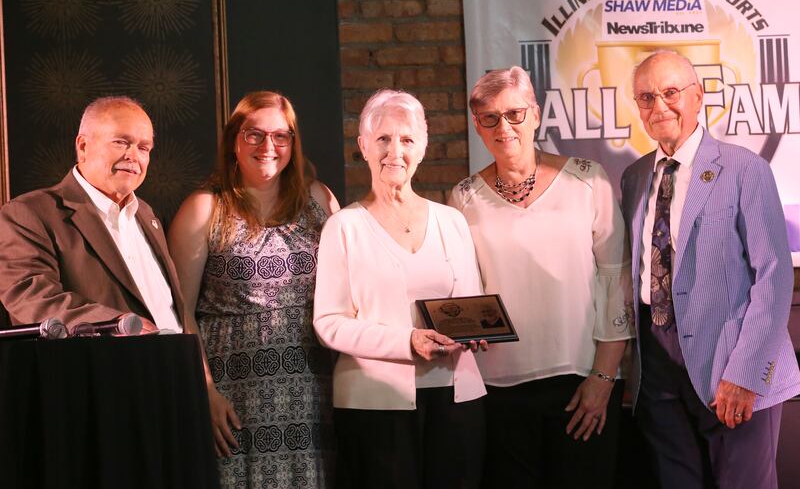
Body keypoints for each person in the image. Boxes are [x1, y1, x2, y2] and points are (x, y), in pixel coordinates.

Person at [620, 50, 800, 488]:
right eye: (647, 97)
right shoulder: (634, 177)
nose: (659, 106)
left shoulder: (744, 169)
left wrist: (745, 371)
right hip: (658, 361)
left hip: (732, 355)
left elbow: (774, 277)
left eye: (670, 92)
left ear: (698, 97)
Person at [449, 66, 633, 488]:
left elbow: (616, 282)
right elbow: (463, 291)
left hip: (581, 382)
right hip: (498, 387)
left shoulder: (588, 180)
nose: (505, 127)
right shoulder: (463, 198)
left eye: (514, 114)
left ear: (535, 114)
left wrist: (604, 378)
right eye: (490, 118)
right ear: (477, 126)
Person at [313, 90, 487, 489]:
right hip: (375, 408)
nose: (396, 151)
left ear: (422, 147)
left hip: (458, 401)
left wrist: (479, 333)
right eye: (383, 139)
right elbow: (329, 323)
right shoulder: (344, 227)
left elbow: (471, 308)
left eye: (407, 139)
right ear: (363, 146)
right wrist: (407, 341)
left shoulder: (452, 221)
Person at [168, 91, 340, 488]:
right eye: (254, 134)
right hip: (234, 391)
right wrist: (205, 392)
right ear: (233, 140)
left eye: (281, 136)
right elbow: (181, 313)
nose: (269, 147)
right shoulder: (205, 208)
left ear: (293, 144)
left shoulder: (319, 199)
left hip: (314, 389)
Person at [0, 96, 183, 332]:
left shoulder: (147, 215)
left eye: (143, 147)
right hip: (95, 365)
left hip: (171, 364)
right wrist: (116, 325)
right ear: (83, 146)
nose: (133, 156)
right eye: (121, 142)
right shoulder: (29, 214)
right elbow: (31, 297)